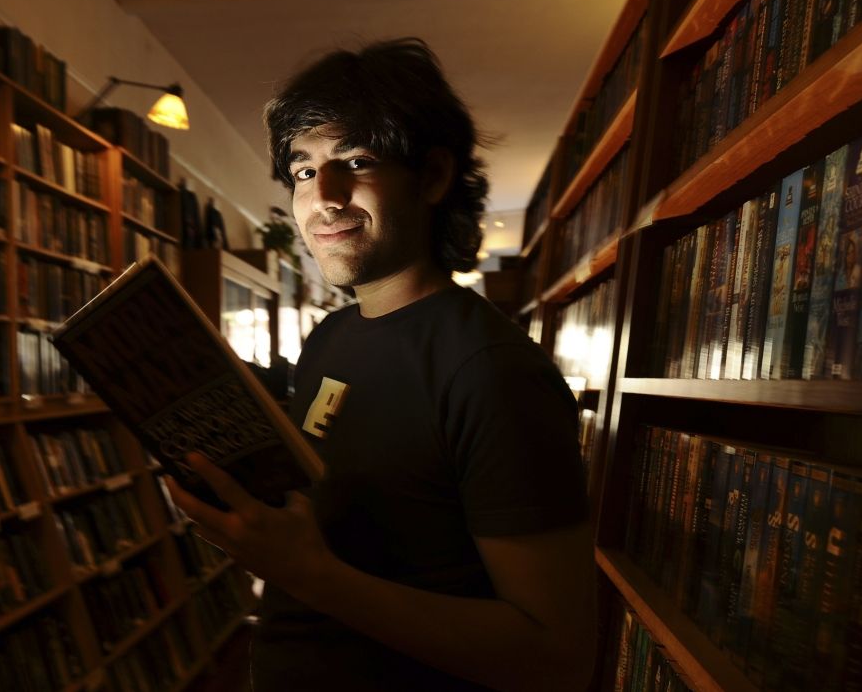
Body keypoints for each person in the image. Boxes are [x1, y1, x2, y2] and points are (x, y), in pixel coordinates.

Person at [164, 38, 594, 692]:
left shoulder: (492, 371)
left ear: (433, 177)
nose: (323, 197)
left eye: (357, 161)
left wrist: (308, 573)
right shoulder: (332, 335)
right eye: (303, 171)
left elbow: (555, 660)